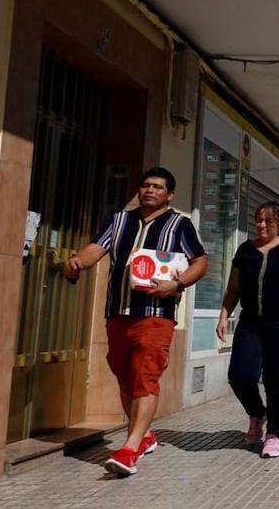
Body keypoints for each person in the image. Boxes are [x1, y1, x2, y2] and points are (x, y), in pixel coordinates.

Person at [64, 166, 208, 477]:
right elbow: (96, 248)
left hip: (156, 316)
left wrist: (178, 284)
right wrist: (77, 262)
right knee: (123, 373)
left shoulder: (179, 224)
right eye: (145, 185)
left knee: (145, 379)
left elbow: (200, 261)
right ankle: (143, 434)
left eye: (157, 187)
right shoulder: (119, 220)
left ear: (169, 194)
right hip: (118, 313)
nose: (149, 190)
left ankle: (130, 448)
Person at [217, 201, 279, 458]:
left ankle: (274, 433)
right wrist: (224, 315)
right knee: (240, 376)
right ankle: (257, 413)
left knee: (276, 380)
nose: (261, 225)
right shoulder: (245, 250)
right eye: (258, 219)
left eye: (269, 221)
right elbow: (233, 288)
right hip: (251, 322)